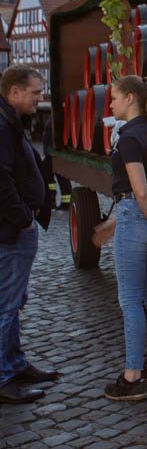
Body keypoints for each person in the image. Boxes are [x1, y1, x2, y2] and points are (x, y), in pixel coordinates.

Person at [103, 75, 147, 402]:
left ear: (130, 98)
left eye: (114, 98)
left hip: (138, 214)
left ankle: (132, 376)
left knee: (130, 300)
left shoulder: (130, 136)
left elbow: (138, 189)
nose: (111, 104)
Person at [0, 64, 56, 404]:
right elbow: (1, 180)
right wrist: (23, 218)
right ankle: (3, 377)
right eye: (35, 92)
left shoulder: (10, 121)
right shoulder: (3, 126)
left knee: (14, 302)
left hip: (16, 228)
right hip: (11, 231)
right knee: (6, 304)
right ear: (15, 92)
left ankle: (15, 364)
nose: (40, 97)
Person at [41, 117, 71, 210]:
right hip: (51, 154)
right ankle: (52, 201)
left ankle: (65, 203)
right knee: (49, 180)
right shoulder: (54, 119)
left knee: (62, 179)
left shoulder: (57, 120)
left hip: (56, 155)